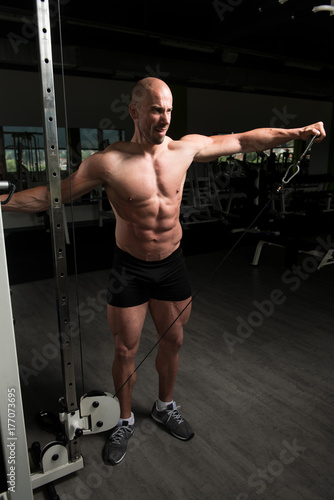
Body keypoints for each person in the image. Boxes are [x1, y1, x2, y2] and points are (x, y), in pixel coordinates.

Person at [0, 77, 326, 465]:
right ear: (134, 111)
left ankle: (164, 406)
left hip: (171, 264)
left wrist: (297, 132)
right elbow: (54, 195)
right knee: (125, 348)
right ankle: (123, 420)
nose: (165, 118)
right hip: (130, 269)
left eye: (169, 109)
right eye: (156, 109)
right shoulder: (108, 162)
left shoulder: (185, 149)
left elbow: (243, 141)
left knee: (173, 341)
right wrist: (3, 202)